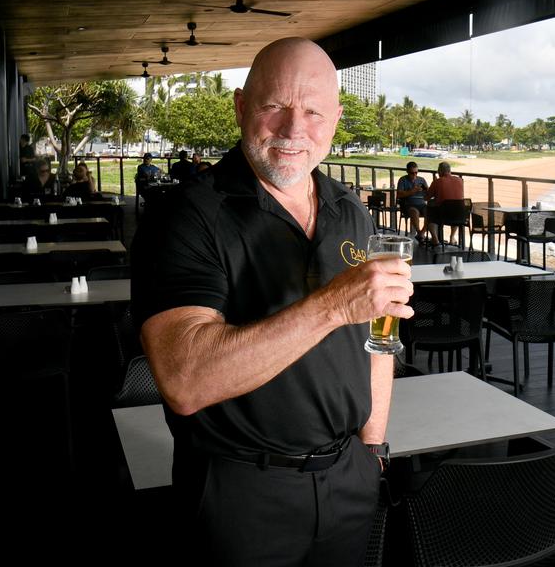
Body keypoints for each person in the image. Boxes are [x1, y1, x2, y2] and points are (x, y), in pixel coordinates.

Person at [132, 37, 411, 565]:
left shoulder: (350, 211)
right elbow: (185, 379)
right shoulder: (186, 216)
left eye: (312, 112)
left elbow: (377, 340)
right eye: (274, 107)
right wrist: (331, 305)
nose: (293, 130)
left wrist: (373, 448)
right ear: (240, 106)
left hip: (349, 478)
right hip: (240, 492)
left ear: (336, 118)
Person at [423, 161, 465, 246]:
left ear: (440, 171)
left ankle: (435, 239)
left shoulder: (437, 182)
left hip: (443, 215)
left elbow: (426, 198)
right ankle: (452, 237)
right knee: (455, 208)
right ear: (449, 171)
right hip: (460, 215)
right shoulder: (460, 180)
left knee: (430, 213)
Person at [395, 160, 431, 243]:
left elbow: (428, 194)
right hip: (408, 204)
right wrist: (412, 191)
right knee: (414, 211)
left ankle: (421, 233)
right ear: (407, 171)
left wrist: (426, 190)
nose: (414, 175)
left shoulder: (421, 180)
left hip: (422, 204)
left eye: (416, 173)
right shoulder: (403, 180)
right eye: (412, 173)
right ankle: (420, 233)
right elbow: (399, 195)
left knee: (430, 212)